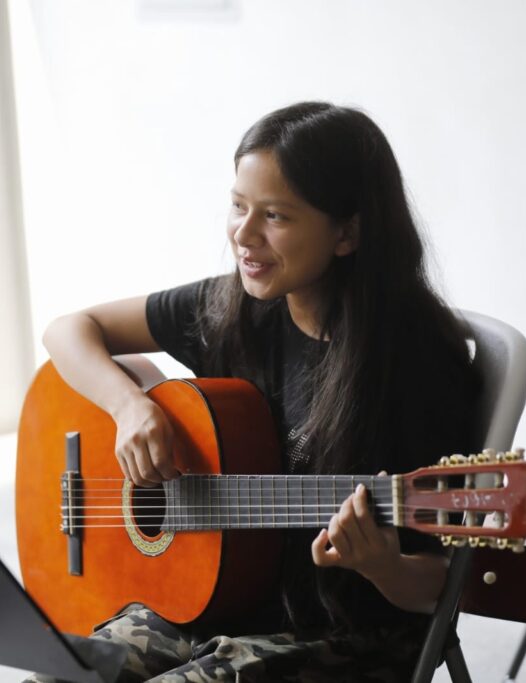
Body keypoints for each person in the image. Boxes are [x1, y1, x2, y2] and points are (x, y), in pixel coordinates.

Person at [30, 102, 481, 682]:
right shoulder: (233, 308)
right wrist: (128, 406)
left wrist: (383, 564)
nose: (243, 235)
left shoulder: (416, 368)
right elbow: (68, 330)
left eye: (275, 216)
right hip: (213, 601)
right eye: (238, 206)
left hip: (342, 633)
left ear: (347, 233)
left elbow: (443, 582)